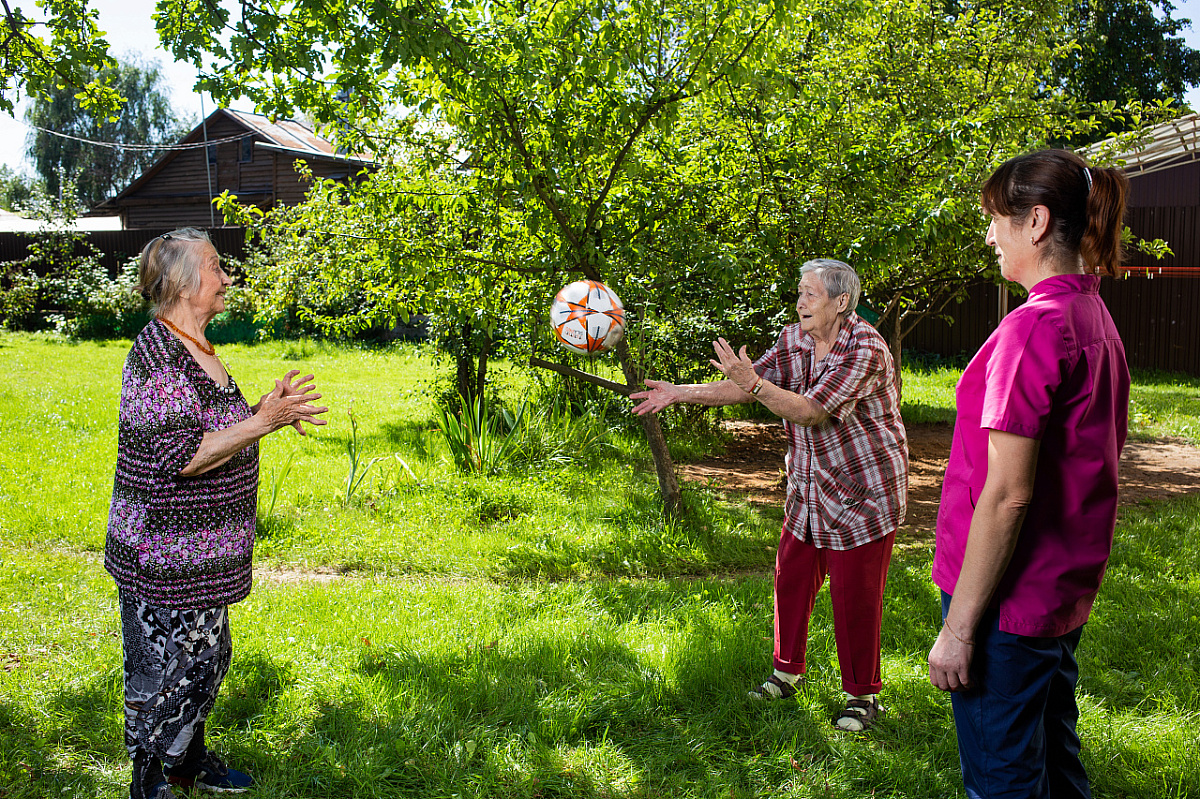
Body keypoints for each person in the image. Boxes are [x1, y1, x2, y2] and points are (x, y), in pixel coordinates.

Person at [927, 150, 1130, 798]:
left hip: (1004, 606)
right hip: (1056, 596)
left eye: (995, 219)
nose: (989, 234)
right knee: (1056, 761)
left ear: (1036, 221)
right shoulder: (1094, 316)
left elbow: (1008, 494)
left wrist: (959, 628)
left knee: (1004, 781)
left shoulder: (1035, 326)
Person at [631, 259, 908, 731]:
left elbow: (812, 410)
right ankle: (786, 673)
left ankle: (862, 697)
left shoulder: (865, 349)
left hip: (864, 489)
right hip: (809, 484)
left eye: (811, 294)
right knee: (791, 579)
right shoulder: (795, 338)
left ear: (841, 303)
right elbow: (744, 388)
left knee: (854, 596)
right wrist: (679, 392)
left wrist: (753, 383)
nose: (800, 302)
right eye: (799, 292)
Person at [106, 228, 328, 799]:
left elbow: (211, 431)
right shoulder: (157, 355)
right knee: (162, 671)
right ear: (182, 282)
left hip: (202, 554)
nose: (226, 276)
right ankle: (149, 778)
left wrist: (261, 410)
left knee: (206, 658)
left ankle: (186, 761)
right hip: (163, 553)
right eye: (215, 266)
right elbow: (182, 454)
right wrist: (263, 422)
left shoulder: (196, 345)